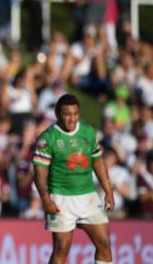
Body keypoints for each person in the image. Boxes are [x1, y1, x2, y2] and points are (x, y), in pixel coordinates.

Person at [33, 94, 114, 264]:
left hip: (88, 196)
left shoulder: (88, 132)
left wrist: (108, 190)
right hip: (61, 199)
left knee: (104, 244)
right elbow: (39, 173)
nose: (72, 119)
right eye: (67, 114)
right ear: (57, 114)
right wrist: (45, 199)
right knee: (61, 248)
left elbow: (98, 162)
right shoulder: (47, 138)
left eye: (75, 114)